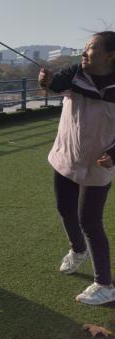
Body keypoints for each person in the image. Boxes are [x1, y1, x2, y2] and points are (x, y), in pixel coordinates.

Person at [39, 31, 115, 305]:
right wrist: (46, 82)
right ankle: (77, 250)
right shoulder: (74, 73)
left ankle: (105, 285)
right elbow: (55, 84)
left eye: (90, 48)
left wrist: (113, 155)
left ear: (110, 56)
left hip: (98, 163)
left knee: (90, 221)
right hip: (66, 154)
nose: (84, 52)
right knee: (64, 208)